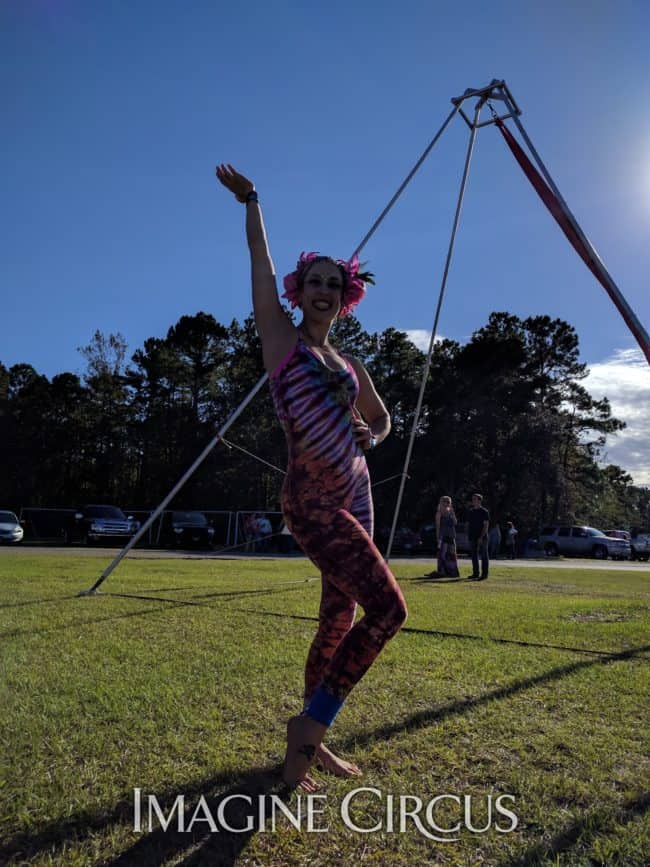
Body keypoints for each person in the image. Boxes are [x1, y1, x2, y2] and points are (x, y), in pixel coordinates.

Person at [216, 164, 407, 792]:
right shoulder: (282, 341)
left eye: (335, 283)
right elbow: (260, 264)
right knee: (388, 609)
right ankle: (312, 726)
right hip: (313, 499)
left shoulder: (350, 361)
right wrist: (252, 201)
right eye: (314, 282)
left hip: (358, 495)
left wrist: (370, 437)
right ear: (300, 292)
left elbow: (382, 421)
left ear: (346, 296)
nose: (323, 290)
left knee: (338, 617)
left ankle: (309, 742)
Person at [435, 496, 459, 577]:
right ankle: (442, 571)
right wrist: (438, 537)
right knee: (442, 554)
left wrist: (452, 514)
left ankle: (452, 571)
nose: (447, 503)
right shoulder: (439, 513)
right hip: (443, 536)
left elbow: (455, 522)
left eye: (448, 502)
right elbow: (438, 526)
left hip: (451, 535)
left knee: (452, 554)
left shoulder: (451, 512)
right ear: (442, 502)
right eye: (445, 501)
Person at [467, 492, 490, 580]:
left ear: (480, 501)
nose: (473, 501)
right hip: (473, 536)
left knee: (484, 555)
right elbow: (469, 524)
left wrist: (481, 537)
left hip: (482, 537)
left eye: (475, 499)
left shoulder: (484, 512)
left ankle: (484, 575)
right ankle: (475, 573)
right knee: (474, 555)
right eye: (472, 499)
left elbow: (486, 525)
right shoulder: (471, 511)